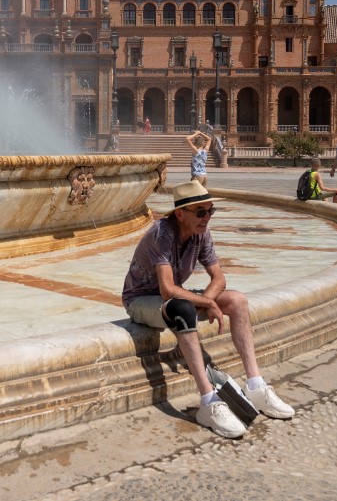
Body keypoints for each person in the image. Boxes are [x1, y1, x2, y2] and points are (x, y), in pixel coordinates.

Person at [122, 181, 295, 438]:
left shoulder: (201, 234)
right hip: (141, 300)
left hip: (171, 299)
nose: (207, 217)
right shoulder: (162, 232)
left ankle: (256, 386)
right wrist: (206, 302)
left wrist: (210, 300)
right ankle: (208, 401)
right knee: (182, 307)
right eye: (200, 211)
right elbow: (168, 289)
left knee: (237, 300)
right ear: (180, 214)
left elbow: (219, 279)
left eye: (210, 211)